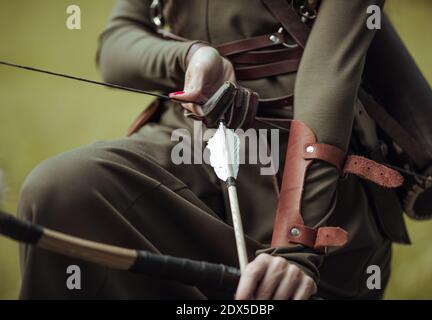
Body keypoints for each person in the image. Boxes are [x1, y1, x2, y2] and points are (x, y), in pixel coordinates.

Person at [18, 0, 405, 299]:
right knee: (61, 189)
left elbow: (330, 72)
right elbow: (116, 44)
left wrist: (297, 244)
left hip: (314, 179)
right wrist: (190, 56)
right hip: (185, 146)